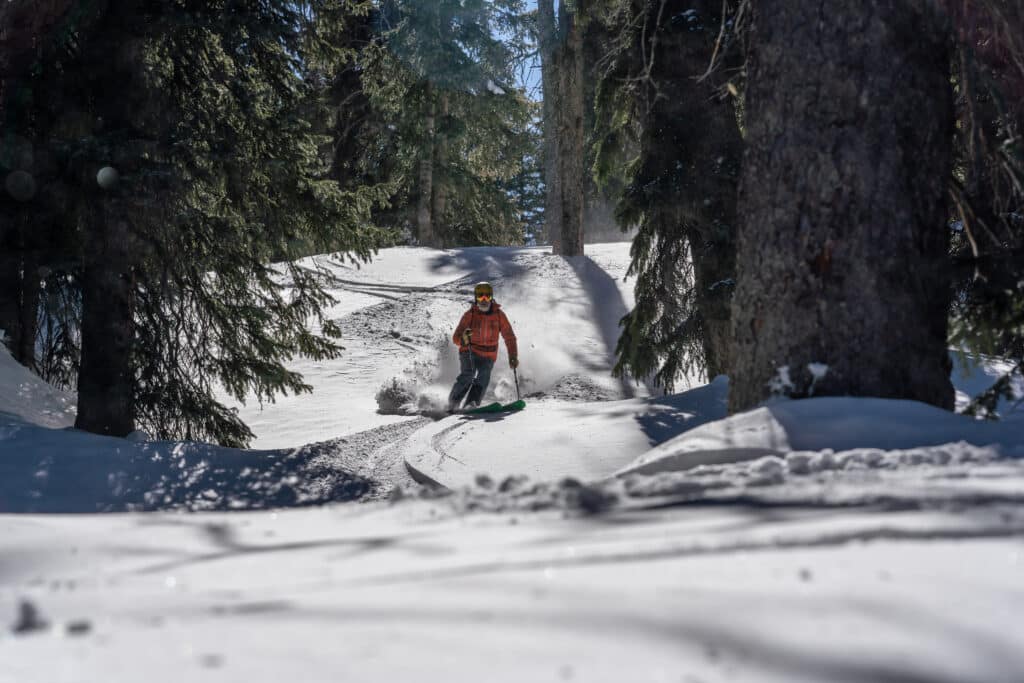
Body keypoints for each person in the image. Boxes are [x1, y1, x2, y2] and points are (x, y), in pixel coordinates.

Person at [448, 281, 519, 412]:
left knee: (484, 377)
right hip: (470, 351)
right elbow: (455, 338)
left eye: (487, 296)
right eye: (481, 296)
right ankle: (453, 404)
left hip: (489, 355)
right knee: (468, 375)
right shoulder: (470, 315)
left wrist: (513, 356)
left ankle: (471, 404)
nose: (484, 300)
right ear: (476, 298)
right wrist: (463, 339)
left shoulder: (499, 315)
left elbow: (509, 336)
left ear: (491, 297)